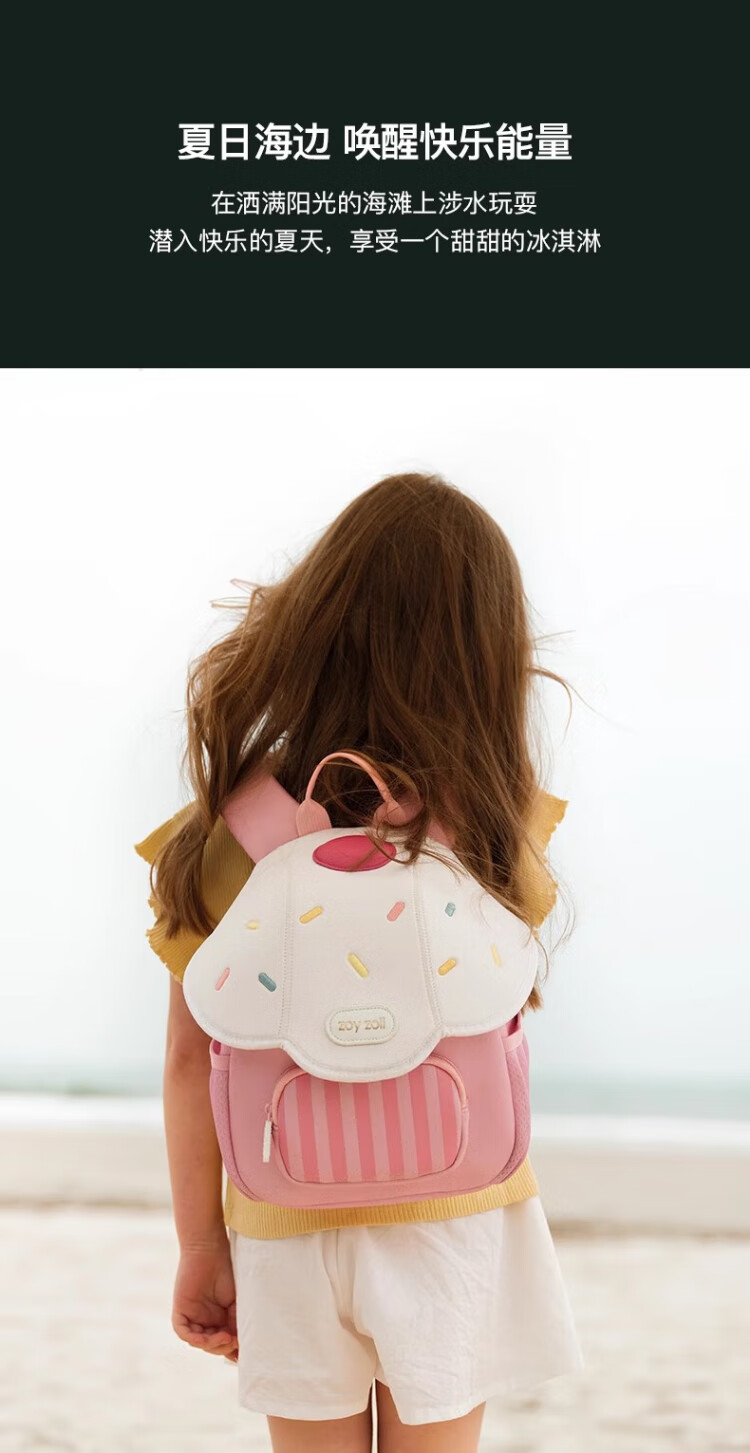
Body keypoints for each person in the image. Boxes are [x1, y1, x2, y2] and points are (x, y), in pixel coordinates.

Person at [136, 472, 583, 1452]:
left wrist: (202, 1245)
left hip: (285, 1218)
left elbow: (187, 1060)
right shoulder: (495, 830)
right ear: (484, 650)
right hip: (452, 1211)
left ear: (314, 622)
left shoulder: (226, 837)